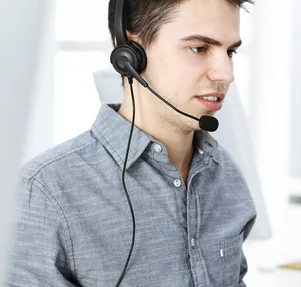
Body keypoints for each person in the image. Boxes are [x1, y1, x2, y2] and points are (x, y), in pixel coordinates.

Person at [6, 0, 256, 286]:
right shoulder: (46, 191)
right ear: (131, 53)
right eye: (199, 48)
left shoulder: (225, 174)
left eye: (230, 51)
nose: (226, 74)